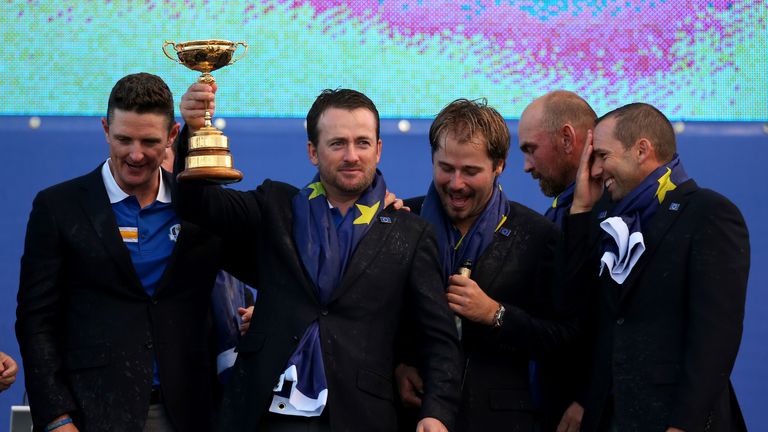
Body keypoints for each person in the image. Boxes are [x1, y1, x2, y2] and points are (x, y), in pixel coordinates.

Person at [176, 85, 462, 431]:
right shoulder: (276, 206)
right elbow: (198, 205)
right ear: (313, 151)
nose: (352, 155)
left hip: (358, 416)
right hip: (263, 414)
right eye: (337, 143)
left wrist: (436, 412)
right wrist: (192, 130)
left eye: (362, 142)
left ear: (379, 149)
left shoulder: (410, 233)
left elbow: (438, 339)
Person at [16, 73, 222, 432]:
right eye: (124, 139)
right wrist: (56, 417)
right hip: (89, 413)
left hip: (186, 412)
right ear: (105, 130)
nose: (136, 154)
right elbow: (36, 323)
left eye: (149, 141)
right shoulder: (58, 207)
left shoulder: (200, 206)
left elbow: (246, 276)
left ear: (173, 136)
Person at [395, 98, 576, 431]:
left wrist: (496, 314)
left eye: (471, 171)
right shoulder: (401, 221)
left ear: (499, 166)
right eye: (445, 168)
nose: (456, 183)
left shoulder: (538, 236)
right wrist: (398, 364)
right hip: (412, 414)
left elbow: (562, 338)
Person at [566, 102, 749, 431]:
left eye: (603, 156)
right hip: (611, 416)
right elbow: (577, 306)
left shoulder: (709, 213)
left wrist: (683, 424)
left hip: (673, 419)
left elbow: (715, 338)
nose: (594, 171)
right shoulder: (609, 216)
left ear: (641, 150)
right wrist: (581, 209)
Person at [518, 90, 597, 431]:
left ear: (567, 138)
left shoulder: (612, 216)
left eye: (530, 150)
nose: (526, 166)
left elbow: (611, 318)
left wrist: (588, 397)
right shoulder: (558, 214)